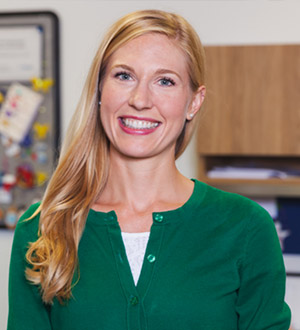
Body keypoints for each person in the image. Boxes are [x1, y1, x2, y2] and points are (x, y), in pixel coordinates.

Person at [7, 9, 291, 330]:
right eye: (124, 76)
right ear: (101, 89)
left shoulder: (246, 228)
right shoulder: (41, 229)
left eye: (165, 81)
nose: (140, 100)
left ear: (193, 102)